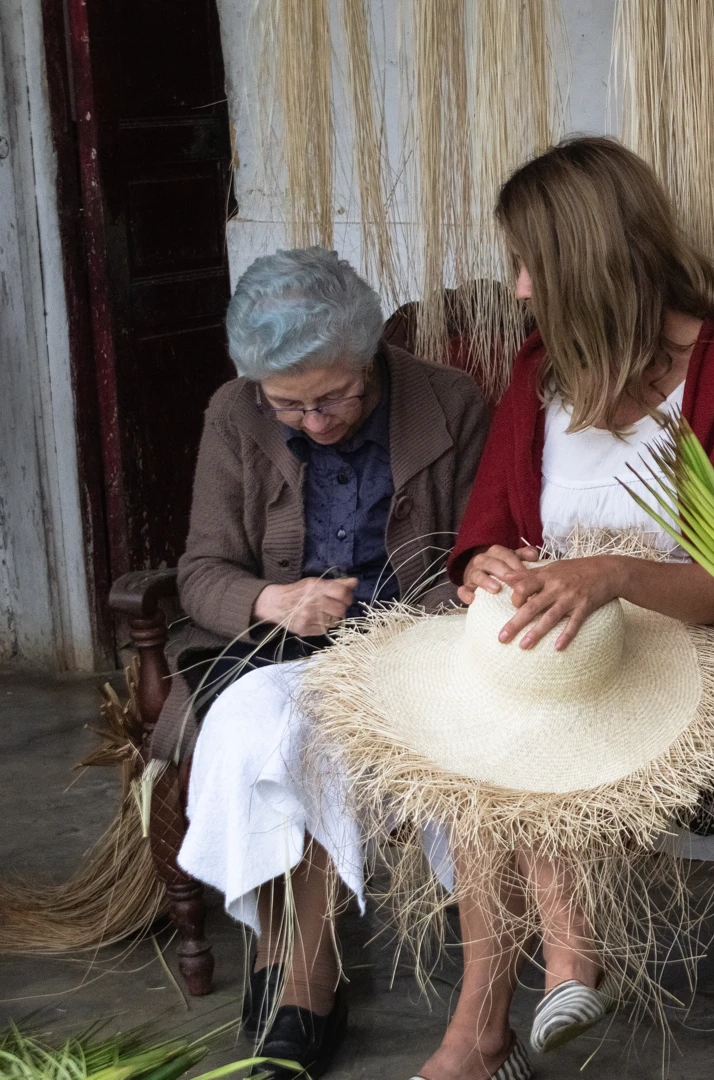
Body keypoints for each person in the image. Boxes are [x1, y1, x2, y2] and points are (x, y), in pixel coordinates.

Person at [417, 135, 714, 1080]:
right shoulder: (540, 371)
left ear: (587, 262)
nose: (518, 287)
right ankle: (535, 987)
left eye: (530, 263)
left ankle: (489, 1028)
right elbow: (484, 531)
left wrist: (616, 575)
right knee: (483, 737)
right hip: (570, 670)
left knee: (499, 754)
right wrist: (487, 565)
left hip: (708, 701)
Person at [174, 248, 489, 1076]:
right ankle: (302, 972)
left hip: (415, 650)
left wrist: (423, 623)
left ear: (369, 356)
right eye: (290, 406)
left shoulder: (450, 404)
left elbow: (476, 554)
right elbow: (201, 570)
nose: (314, 423)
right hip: (281, 652)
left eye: (333, 399)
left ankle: (298, 984)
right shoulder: (233, 413)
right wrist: (273, 601)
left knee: (330, 731)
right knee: (264, 726)